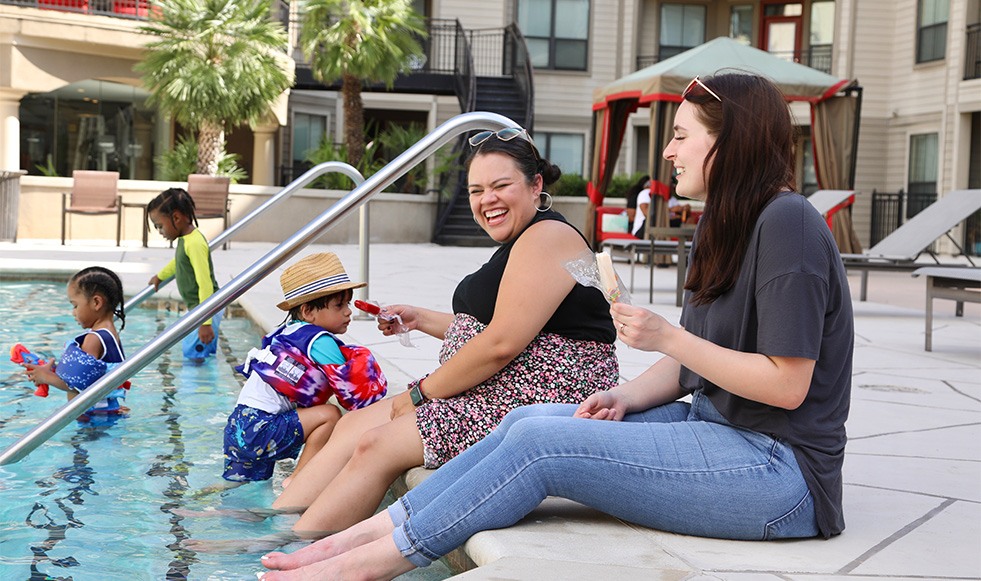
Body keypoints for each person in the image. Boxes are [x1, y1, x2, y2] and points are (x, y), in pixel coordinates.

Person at [258, 73, 854, 580]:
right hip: (712, 426)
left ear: (734, 143)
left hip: (779, 472)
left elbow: (786, 385)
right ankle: (348, 538)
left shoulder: (787, 225)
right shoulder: (725, 225)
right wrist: (624, 394)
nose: (668, 152)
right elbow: (699, 360)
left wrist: (668, 336)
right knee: (528, 423)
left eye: (680, 135)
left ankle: (365, 563)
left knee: (544, 447)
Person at [189, 126, 618, 549]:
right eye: (475, 190)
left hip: (540, 400)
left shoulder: (549, 235)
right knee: (354, 423)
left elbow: (501, 344)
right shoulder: (527, 237)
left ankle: (281, 546)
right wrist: (420, 318)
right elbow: (506, 328)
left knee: (378, 442)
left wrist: (419, 395)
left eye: (500, 186)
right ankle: (275, 516)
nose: (487, 200)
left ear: (535, 184)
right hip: (505, 386)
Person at [220, 252, 388, 490]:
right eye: (339, 305)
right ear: (309, 312)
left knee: (240, 493)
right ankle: (298, 481)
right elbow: (354, 395)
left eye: (348, 304)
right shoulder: (319, 341)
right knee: (329, 415)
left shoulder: (286, 333)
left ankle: (203, 506)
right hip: (263, 427)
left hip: (240, 426)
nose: (348, 312)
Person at [23, 266, 131, 418]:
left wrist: (45, 377)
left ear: (96, 302)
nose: (73, 312)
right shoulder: (110, 333)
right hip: (105, 412)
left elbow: (79, 386)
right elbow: (92, 376)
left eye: (75, 305)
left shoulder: (94, 339)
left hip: (94, 417)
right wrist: (54, 369)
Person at [147, 187, 222, 363]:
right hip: (202, 308)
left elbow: (205, 284)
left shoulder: (194, 243)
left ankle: (198, 388)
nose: (160, 231)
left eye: (159, 226)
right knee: (201, 356)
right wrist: (160, 276)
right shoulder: (186, 239)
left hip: (205, 308)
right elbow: (178, 263)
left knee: (193, 356)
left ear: (176, 218)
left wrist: (205, 322)